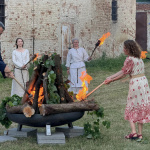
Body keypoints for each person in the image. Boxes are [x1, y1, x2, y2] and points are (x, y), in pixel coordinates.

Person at [104, 40, 150, 140]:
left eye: (125, 48)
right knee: (140, 106)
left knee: (132, 106)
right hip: (144, 83)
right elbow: (123, 71)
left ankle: (133, 133)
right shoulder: (138, 58)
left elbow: (124, 74)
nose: (123, 50)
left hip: (136, 84)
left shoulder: (129, 59)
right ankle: (140, 134)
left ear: (129, 49)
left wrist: (111, 80)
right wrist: (110, 77)